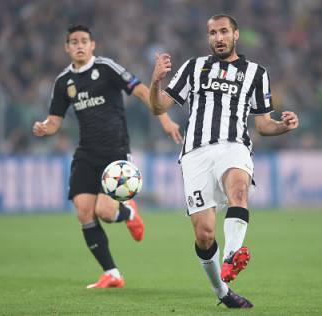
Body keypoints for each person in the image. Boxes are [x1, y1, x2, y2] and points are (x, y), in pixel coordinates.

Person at [149, 14, 299, 308]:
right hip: (195, 153)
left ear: (236, 35)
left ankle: (232, 257)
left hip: (234, 146)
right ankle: (222, 291)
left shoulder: (256, 73)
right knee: (204, 234)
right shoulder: (194, 68)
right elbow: (157, 106)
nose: (218, 37)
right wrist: (155, 80)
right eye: (212, 33)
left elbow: (263, 124)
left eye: (223, 32)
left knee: (238, 192)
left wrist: (283, 126)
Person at [33, 25, 182, 289]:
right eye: (74, 42)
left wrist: (165, 120)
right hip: (86, 153)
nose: (79, 45)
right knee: (83, 211)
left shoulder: (107, 68)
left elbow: (139, 90)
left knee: (104, 211)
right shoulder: (63, 82)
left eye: (84, 41)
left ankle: (128, 212)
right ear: (67, 48)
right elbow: (55, 121)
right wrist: (45, 128)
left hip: (115, 150)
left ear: (93, 45)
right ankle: (112, 273)